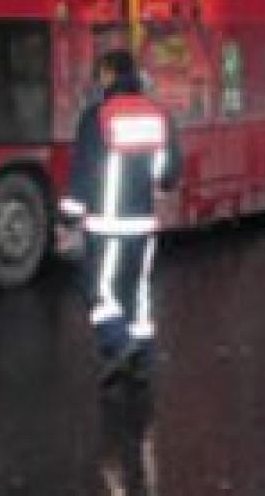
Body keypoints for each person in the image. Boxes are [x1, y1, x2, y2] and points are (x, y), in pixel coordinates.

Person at [60, 49, 183, 387]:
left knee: (97, 288)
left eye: (100, 73)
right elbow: (169, 175)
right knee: (137, 289)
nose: (98, 80)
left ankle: (119, 343)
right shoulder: (159, 115)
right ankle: (141, 357)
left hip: (106, 225)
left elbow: (83, 170)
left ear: (110, 75)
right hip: (143, 223)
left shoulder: (96, 116)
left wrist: (68, 216)